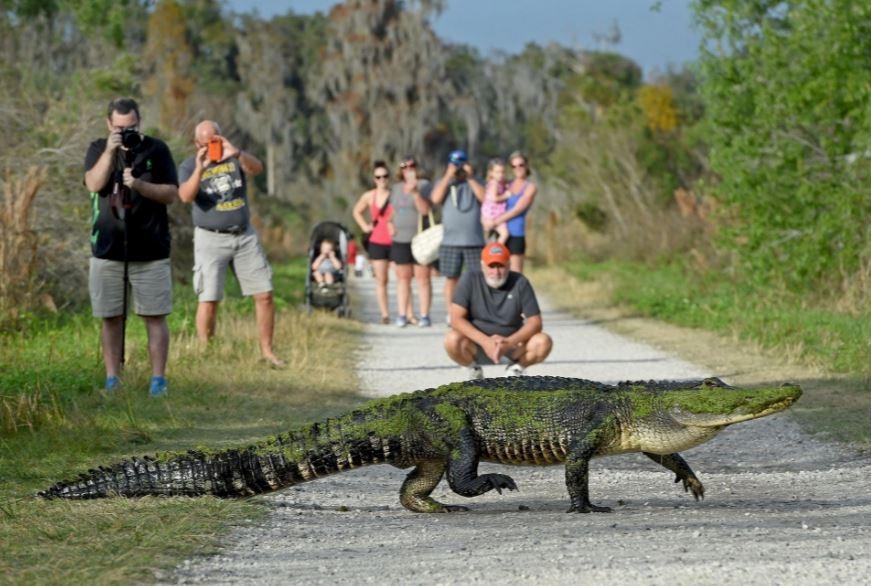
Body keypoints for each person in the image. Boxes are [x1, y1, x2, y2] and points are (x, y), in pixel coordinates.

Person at [84, 97, 179, 396]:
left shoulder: (156, 149)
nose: (127, 132)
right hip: (108, 251)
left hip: (150, 250)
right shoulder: (98, 148)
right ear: (109, 124)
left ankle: (158, 381)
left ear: (140, 122)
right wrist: (112, 151)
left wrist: (139, 185)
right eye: (120, 127)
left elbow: (171, 194)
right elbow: (93, 184)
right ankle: (113, 378)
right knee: (111, 317)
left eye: (132, 126)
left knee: (154, 316)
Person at [177, 120, 284, 367]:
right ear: (196, 144)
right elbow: (185, 196)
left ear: (221, 137)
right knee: (209, 298)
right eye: (206, 142)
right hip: (210, 237)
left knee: (265, 294)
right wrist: (200, 168)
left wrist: (236, 153)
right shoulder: (188, 166)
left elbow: (257, 168)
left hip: (244, 235)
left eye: (215, 140)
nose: (211, 146)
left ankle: (267, 352)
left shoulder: (234, 158)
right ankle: (206, 353)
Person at [444, 242, 552, 380]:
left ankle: (516, 368)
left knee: (543, 341)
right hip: (476, 346)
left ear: (508, 265)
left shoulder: (520, 282)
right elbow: (456, 319)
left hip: (513, 348)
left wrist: (508, 342)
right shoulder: (469, 279)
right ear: (482, 265)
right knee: (452, 340)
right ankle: (473, 368)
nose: (496, 272)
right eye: (491, 266)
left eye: (500, 266)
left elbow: (535, 322)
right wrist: (485, 342)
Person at [429, 149, 486, 323]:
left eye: (461, 163)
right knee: (451, 279)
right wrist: (448, 175)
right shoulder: (444, 183)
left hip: (474, 240)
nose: (458, 167)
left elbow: (485, 198)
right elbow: (435, 199)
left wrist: (469, 177)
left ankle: (476, 313)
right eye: (455, 163)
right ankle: (451, 313)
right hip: (450, 241)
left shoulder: (476, 182)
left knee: (477, 280)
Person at [388, 155, 433, 327]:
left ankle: (424, 315)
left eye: (411, 166)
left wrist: (415, 193)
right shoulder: (397, 188)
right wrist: (389, 223)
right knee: (403, 278)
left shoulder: (424, 185)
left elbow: (425, 210)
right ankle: (402, 314)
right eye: (404, 167)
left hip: (420, 239)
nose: (408, 170)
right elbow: (394, 210)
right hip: (400, 239)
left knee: (422, 278)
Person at [352, 160, 393, 324]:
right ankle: (385, 314)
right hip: (377, 241)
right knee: (381, 279)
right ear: (374, 179)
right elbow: (356, 211)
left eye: (385, 176)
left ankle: (406, 312)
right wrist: (364, 226)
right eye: (378, 177)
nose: (382, 180)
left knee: (402, 278)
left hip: (396, 240)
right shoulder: (369, 196)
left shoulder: (395, 194)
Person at [484, 151, 538, 273]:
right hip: (499, 231)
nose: (518, 168)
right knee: (497, 272)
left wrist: (495, 221)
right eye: (514, 166)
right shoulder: (507, 184)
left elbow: (517, 210)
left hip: (515, 233)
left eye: (521, 165)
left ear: (526, 166)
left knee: (515, 272)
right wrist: (485, 219)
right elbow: (490, 201)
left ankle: (516, 293)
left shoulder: (530, 187)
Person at [480, 158, 510, 243]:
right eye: (497, 172)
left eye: (502, 172)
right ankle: (495, 250)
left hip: (497, 214)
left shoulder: (501, 183)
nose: (500, 175)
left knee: (503, 234)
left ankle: (495, 251)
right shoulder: (494, 183)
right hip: (491, 214)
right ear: (491, 173)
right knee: (504, 234)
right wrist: (506, 195)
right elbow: (494, 198)